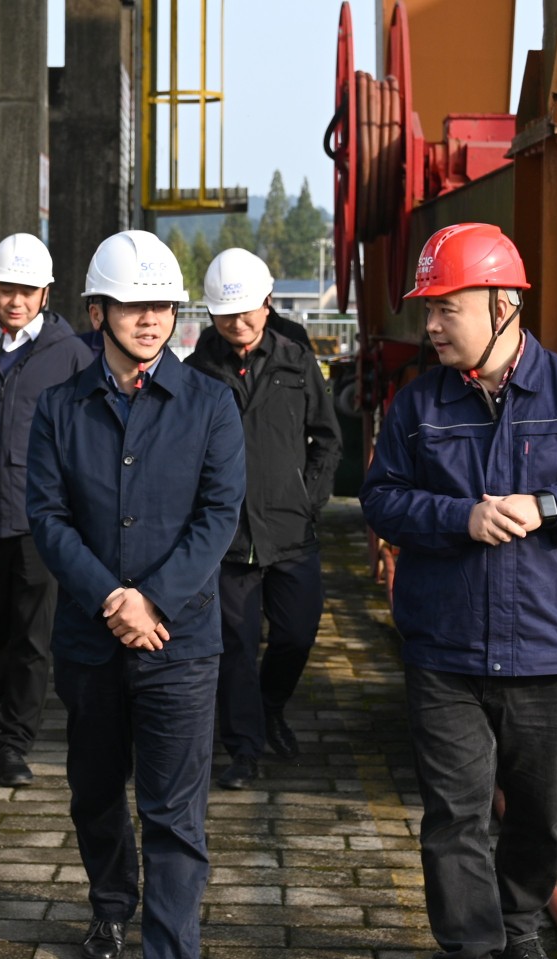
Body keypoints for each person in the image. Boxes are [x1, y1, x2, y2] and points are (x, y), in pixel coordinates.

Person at [359, 223, 557, 959]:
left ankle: (520, 925)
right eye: (428, 310)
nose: (430, 326)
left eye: (445, 309)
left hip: (547, 649)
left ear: (502, 305)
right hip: (446, 650)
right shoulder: (419, 405)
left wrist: (549, 505)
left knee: (539, 813)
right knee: (453, 819)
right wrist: (460, 517)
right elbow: (381, 499)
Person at [25, 229, 245, 959]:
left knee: (175, 815)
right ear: (97, 313)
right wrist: (111, 598)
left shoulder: (211, 405)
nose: (150, 320)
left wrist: (151, 601)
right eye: (132, 306)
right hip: (89, 643)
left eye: (161, 306)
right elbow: (47, 517)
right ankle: (111, 903)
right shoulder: (59, 408)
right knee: (93, 791)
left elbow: (218, 516)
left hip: (179, 646)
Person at [0, 233, 95, 788]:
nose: (16, 301)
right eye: (7, 289)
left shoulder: (70, 354)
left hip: (39, 519)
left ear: (46, 294)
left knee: (33, 635)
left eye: (28, 291)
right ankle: (11, 698)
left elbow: (84, 433)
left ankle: (14, 743)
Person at [187, 248, 342, 789]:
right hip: (227, 538)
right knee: (235, 646)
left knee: (297, 633)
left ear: (268, 303)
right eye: (225, 314)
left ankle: (269, 705)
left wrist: (308, 499)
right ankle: (244, 750)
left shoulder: (296, 361)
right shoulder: (196, 372)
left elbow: (327, 440)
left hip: (291, 530)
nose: (237, 323)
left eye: (246, 311)